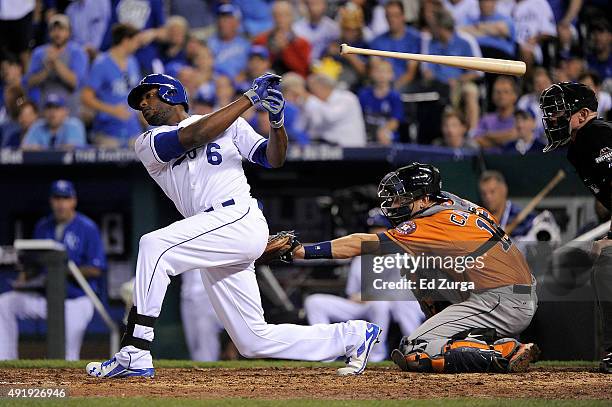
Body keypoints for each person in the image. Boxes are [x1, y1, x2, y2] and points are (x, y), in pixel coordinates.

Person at [85, 72, 381, 378]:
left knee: (154, 245)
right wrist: (248, 99)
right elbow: (194, 136)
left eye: (148, 96)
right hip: (212, 229)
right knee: (253, 340)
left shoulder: (231, 123)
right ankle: (352, 336)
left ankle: (135, 349)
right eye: (139, 102)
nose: (142, 106)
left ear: (171, 94)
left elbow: (273, 159)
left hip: (236, 217)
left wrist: (278, 124)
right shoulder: (147, 142)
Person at [283, 163, 539, 374]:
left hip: (501, 299)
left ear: (425, 199)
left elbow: (362, 244)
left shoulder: (431, 222)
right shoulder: (457, 203)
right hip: (510, 291)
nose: (396, 204)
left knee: (416, 348)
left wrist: (303, 251)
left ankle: (504, 350)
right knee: (417, 264)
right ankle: (457, 335)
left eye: (404, 198)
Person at [540, 81, 612, 373]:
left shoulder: (595, 136)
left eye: (559, 114)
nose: (552, 121)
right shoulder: (584, 143)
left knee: (607, 266)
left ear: (582, 115)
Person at [0, 180, 106, 360]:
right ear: (51, 201)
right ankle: (5, 361)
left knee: (66, 356)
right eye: (57, 198)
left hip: (76, 300)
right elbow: (34, 262)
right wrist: (24, 278)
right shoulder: (43, 226)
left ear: (74, 201)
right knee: (5, 303)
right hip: (46, 297)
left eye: (65, 198)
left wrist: (63, 272)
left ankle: (67, 384)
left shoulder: (87, 228)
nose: (61, 203)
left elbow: (97, 268)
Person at [304, 208, 424, 362]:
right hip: (364, 305)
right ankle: (325, 353)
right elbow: (352, 294)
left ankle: (378, 355)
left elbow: (400, 291)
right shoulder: (361, 258)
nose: (375, 233)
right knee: (314, 302)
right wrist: (364, 297)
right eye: (372, 229)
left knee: (381, 304)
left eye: (379, 229)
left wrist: (373, 296)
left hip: (395, 306)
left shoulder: (399, 255)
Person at [81, 23, 142, 148]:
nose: (138, 45)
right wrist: (112, 110)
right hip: (108, 132)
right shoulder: (101, 63)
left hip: (133, 130)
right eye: (136, 41)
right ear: (125, 41)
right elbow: (86, 97)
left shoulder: (133, 62)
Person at [421, 9, 482, 131]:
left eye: (434, 26)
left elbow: (477, 71)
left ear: (441, 27)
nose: (431, 30)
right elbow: (427, 72)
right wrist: (441, 81)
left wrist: (458, 80)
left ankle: (472, 132)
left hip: (460, 83)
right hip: (438, 84)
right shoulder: (431, 43)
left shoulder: (465, 41)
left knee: (471, 92)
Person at [23, 14, 88, 117]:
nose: (57, 33)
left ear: (69, 32)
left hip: (70, 113)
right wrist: (46, 71)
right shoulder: (39, 53)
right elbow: (29, 82)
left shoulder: (77, 52)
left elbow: (75, 82)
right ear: (49, 33)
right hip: (45, 112)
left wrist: (56, 63)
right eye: (54, 29)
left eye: (61, 29)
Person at [368, 0, 421, 90]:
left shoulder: (414, 39)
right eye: (389, 16)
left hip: (405, 86)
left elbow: (410, 73)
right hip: (381, 85)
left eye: (396, 16)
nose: (392, 19)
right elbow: (375, 68)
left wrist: (394, 88)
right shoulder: (377, 41)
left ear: (403, 16)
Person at [252, 0, 312, 78]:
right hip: (267, 80)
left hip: (291, 82)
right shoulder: (261, 40)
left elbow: (303, 71)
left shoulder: (302, 43)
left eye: (285, 15)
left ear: (292, 17)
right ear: (272, 18)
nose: (280, 19)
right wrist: (274, 51)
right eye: (277, 15)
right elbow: (255, 66)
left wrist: (285, 50)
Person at [305, 73, 366, 146]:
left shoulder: (346, 98)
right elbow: (314, 126)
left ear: (323, 87)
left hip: (351, 147)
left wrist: (312, 100)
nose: (312, 94)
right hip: (327, 146)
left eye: (313, 90)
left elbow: (331, 117)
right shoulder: (318, 104)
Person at [358, 58, 404, 144]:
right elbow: (358, 116)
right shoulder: (364, 94)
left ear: (392, 75)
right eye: (378, 71)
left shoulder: (394, 96)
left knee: (384, 135)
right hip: (367, 131)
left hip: (386, 133)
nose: (382, 75)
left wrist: (383, 130)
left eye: (386, 72)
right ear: (372, 74)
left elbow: (395, 121)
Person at [180, 270, 224, 361]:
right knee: (193, 340)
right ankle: (199, 372)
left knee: (206, 337)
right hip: (187, 295)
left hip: (208, 295)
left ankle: (209, 371)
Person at [479, 170, 536, 238]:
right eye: (483, 194)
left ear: (504, 189)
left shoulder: (526, 218)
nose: (488, 197)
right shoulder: (479, 219)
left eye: (492, 192)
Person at [21, 93, 86, 150]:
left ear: (65, 111)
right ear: (44, 112)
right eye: (49, 108)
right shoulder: (37, 126)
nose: (52, 112)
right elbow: (24, 148)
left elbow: (73, 149)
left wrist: (41, 149)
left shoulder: (74, 125)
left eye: (56, 108)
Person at [207, 4, 251, 81]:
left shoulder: (245, 45)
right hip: (215, 84)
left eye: (227, 19)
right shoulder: (209, 43)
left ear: (237, 23)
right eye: (221, 18)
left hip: (239, 85)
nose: (222, 22)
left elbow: (249, 68)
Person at [472, 76, 518, 149]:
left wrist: (488, 135)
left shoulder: (519, 118)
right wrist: (506, 139)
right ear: (493, 96)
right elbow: (476, 139)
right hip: (490, 159)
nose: (501, 96)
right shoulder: (486, 119)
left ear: (514, 96)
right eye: (498, 92)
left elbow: (517, 135)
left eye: (506, 92)